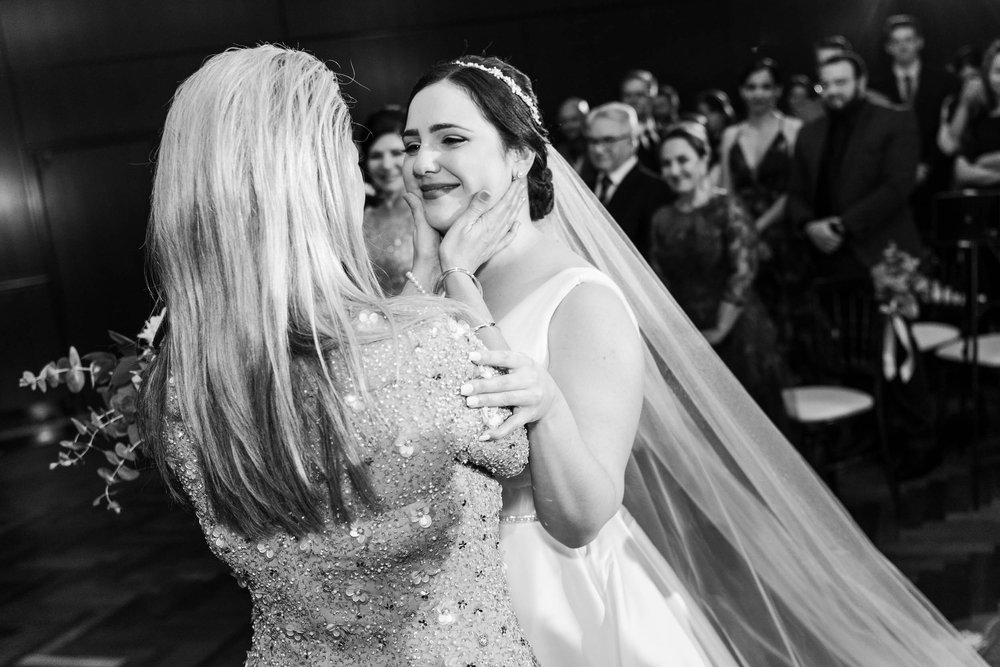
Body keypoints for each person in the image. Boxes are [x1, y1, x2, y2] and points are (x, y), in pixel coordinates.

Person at [402, 54, 986, 667]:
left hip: (551, 600)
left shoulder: (580, 297)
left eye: (452, 139)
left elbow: (581, 516)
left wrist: (461, 285)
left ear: (519, 156)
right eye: (414, 142)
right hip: (440, 593)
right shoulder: (429, 286)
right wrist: (429, 279)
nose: (421, 163)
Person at [137, 45, 538, 666]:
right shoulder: (428, 346)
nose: (365, 177)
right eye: (348, 158)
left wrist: (423, 281)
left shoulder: (180, 383)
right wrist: (455, 283)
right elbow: (512, 446)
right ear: (314, 181)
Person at [787, 51, 937, 478]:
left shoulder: (894, 119)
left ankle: (919, 442)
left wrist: (842, 225)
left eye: (840, 82)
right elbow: (796, 193)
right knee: (848, 354)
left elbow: (897, 186)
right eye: (826, 84)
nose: (832, 91)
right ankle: (870, 436)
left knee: (899, 354)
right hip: (829, 259)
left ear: (860, 80)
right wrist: (809, 225)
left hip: (885, 254)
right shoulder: (811, 132)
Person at [654, 121, 790, 432]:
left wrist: (718, 331)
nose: (675, 170)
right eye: (666, 163)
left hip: (738, 336)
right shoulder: (662, 218)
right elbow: (660, 282)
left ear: (704, 161)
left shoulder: (728, 208)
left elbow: (743, 272)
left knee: (753, 431)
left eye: (683, 160)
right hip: (688, 340)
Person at [719, 58, 804, 336]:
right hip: (741, 236)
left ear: (778, 90)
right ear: (742, 91)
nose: (758, 94)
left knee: (788, 315)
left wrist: (758, 229)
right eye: (751, 87)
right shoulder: (731, 135)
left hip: (784, 235)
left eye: (766, 87)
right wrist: (743, 233)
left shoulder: (793, 130)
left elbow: (795, 189)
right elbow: (727, 190)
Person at [870, 14, 951, 237]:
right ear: (888, 47)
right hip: (891, 185)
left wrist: (926, 166)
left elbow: (950, 131)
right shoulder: (874, 88)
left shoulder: (945, 82)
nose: (903, 46)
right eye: (897, 41)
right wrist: (902, 172)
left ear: (919, 42)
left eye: (908, 39)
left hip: (936, 178)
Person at [582, 101, 673, 256]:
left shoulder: (657, 190)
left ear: (632, 140)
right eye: (593, 141)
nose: (598, 149)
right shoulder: (583, 187)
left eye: (608, 140)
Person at [360, 106, 412, 294]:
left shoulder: (431, 215)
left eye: (396, 153)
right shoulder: (361, 217)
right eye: (376, 156)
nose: (387, 165)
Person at [954, 39, 1000, 191]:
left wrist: (983, 162)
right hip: (986, 206)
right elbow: (962, 172)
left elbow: (976, 164)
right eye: (998, 71)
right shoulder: (979, 116)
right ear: (987, 75)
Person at [620, 68, 662, 170]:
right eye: (628, 95)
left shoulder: (665, 133)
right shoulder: (616, 138)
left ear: (653, 96)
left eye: (639, 95)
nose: (633, 100)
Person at [694, 88, 735, 182]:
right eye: (702, 113)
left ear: (723, 113)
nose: (706, 118)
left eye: (711, 113)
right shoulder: (704, 141)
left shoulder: (733, 138)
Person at [552, 96, 590, 173]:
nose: (569, 126)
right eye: (564, 121)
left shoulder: (597, 149)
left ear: (585, 119)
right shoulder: (559, 153)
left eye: (574, 119)